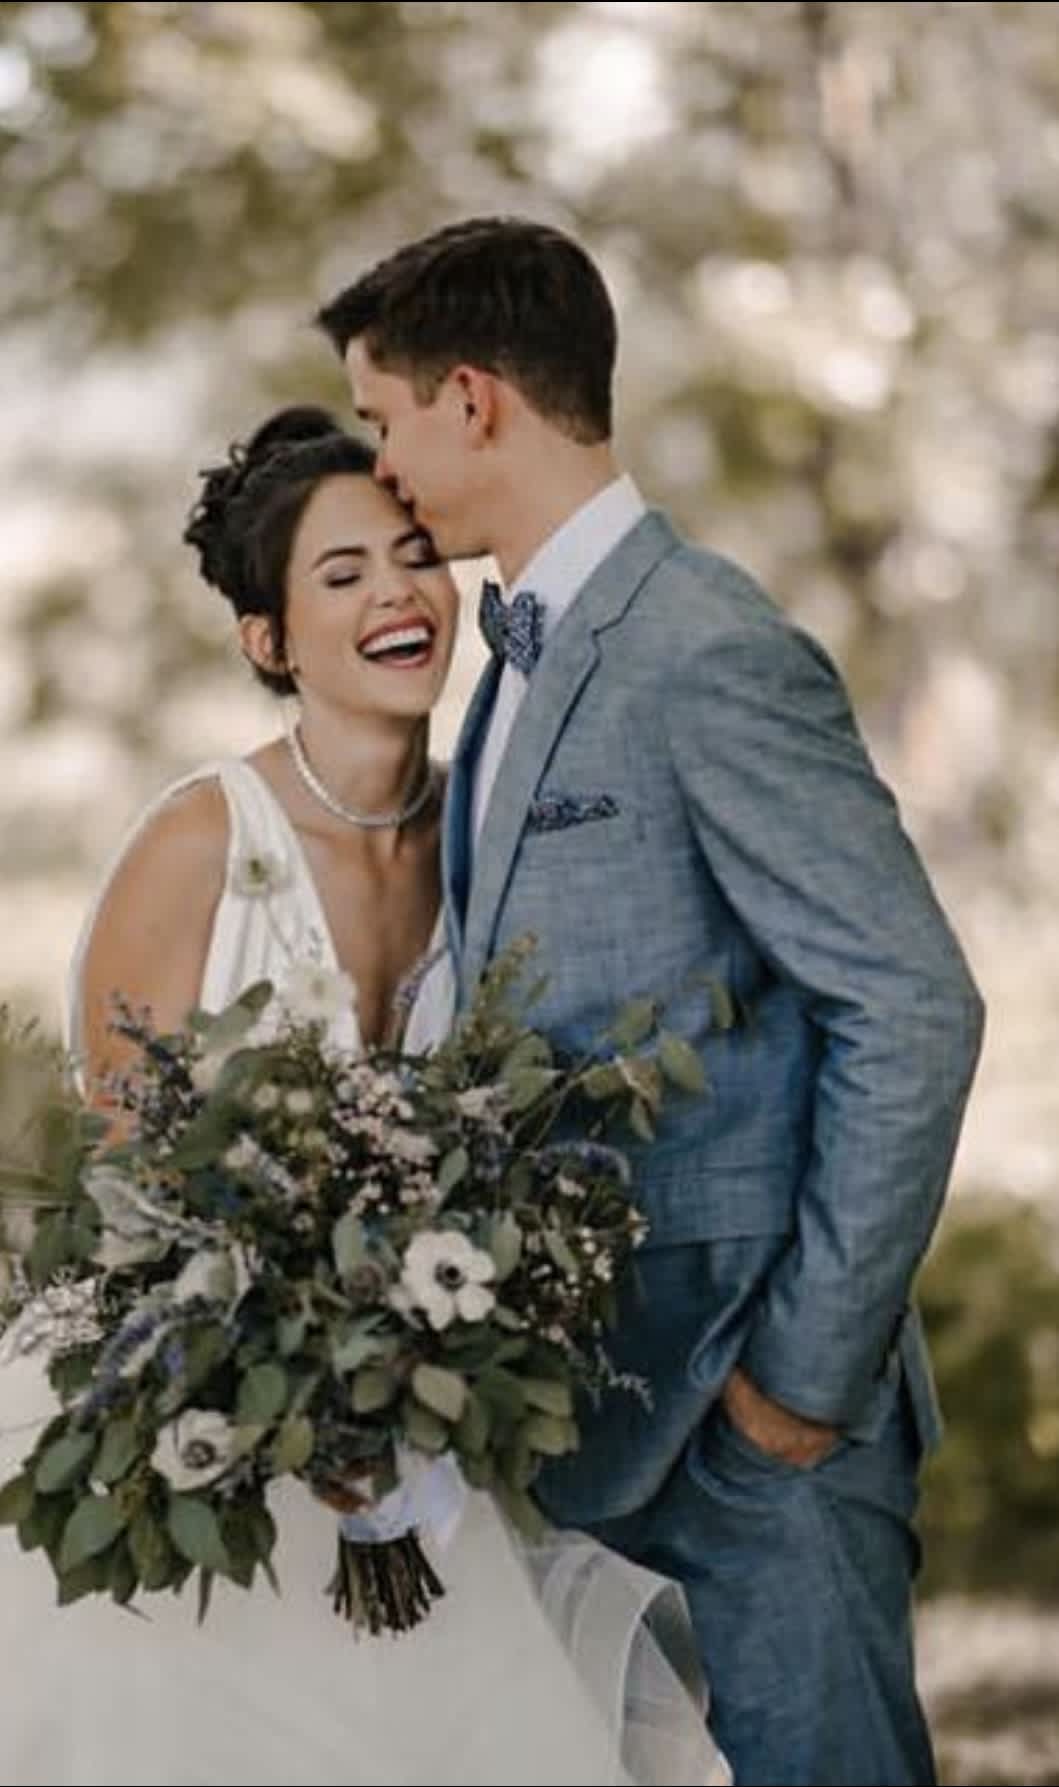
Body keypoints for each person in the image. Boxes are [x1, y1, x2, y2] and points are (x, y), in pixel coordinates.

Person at [317, 215, 987, 1787]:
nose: (383, 467)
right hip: (599, 1430)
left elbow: (912, 1007)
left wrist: (799, 1387)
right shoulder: (513, 666)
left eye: (383, 419)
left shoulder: (702, 648)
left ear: (471, 400)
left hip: (758, 1431)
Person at [0, 406, 729, 1786]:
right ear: (269, 639)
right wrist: (286, 1377)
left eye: (414, 557)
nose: (398, 594)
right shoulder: (198, 841)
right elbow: (122, 1178)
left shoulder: (489, 837)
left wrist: (411, 1363)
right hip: (191, 1413)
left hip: (423, 1424)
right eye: (342, 575)